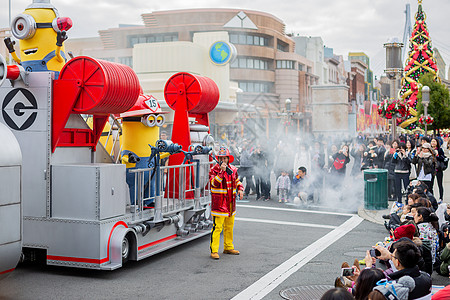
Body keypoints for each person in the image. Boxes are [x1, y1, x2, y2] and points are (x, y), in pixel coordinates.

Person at [209, 146, 244, 260]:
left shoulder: (233, 169)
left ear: (228, 159)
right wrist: (221, 172)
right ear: (218, 159)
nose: (223, 160)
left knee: (229, 227)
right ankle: (214, 250)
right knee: (217, 227)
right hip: (219, 204)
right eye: (221, 158)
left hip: (230, 203)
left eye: (225, 158)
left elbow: (237, 180)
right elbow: (214, 183)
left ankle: (228, 247)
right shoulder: (214, 170)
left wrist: (240, 189)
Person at [431, 137, 445, 202]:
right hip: (431, 169)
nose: (433, 143)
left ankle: (441, 198)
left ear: (437, 143)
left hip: (438, 169)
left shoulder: (440, 150)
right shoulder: (429, 150)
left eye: (434, 141)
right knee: (431, 184)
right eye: (432, 141)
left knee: (440, 184)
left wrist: (437, 155)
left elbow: (443, 158)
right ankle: (431, 197)